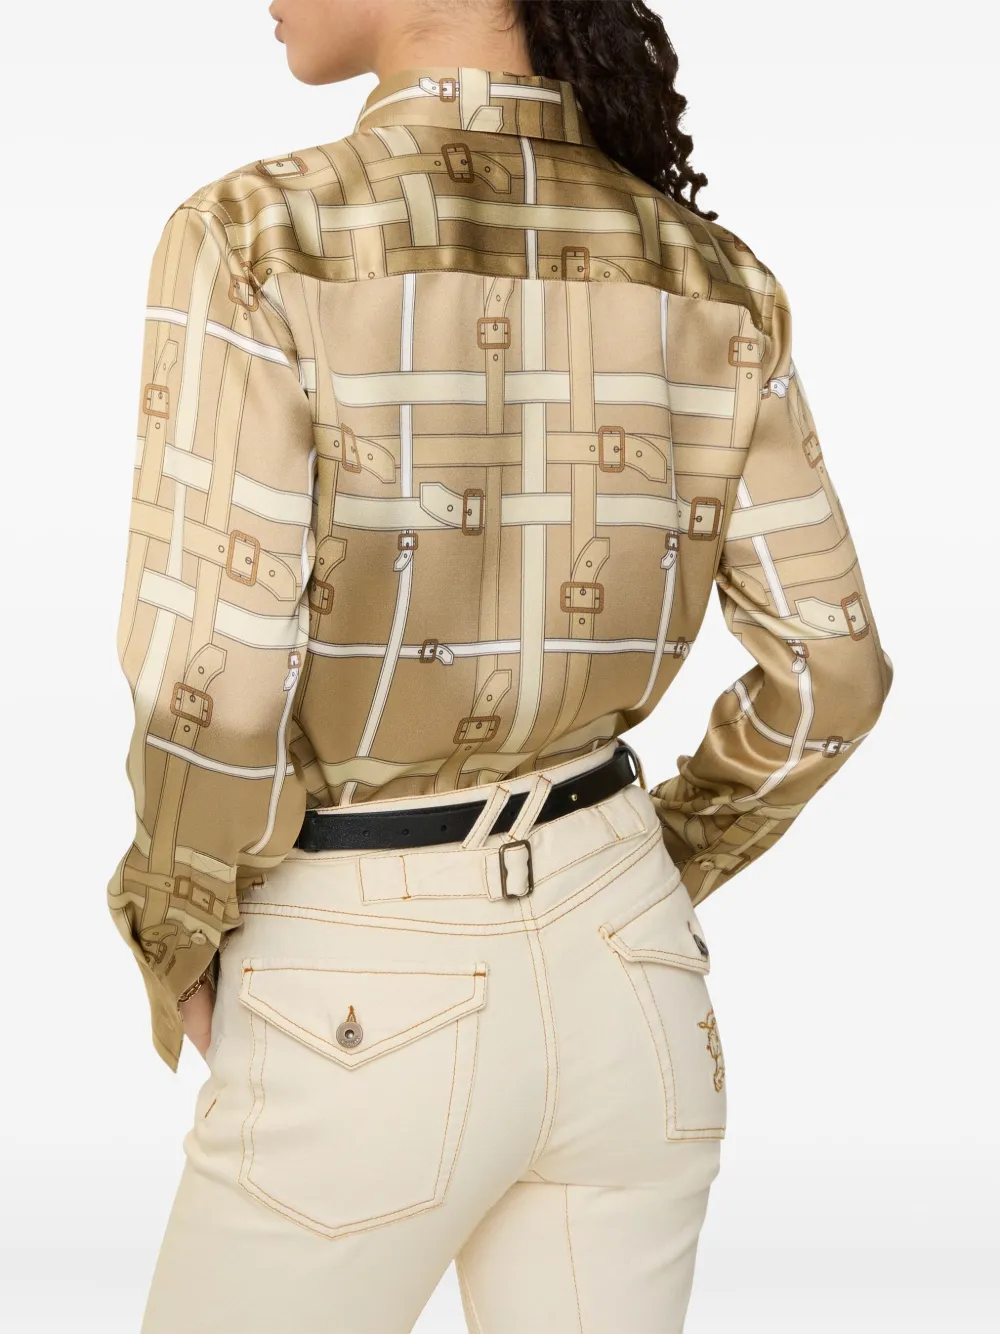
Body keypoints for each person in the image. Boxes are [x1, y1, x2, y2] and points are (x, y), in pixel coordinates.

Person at [106, 1, 894, 1330]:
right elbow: (835, 670)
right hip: (632, 969)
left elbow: (218, 688)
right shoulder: (707, 273)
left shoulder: (258, 237)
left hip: (361, 968)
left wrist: (174, 912)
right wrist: (669, 854)